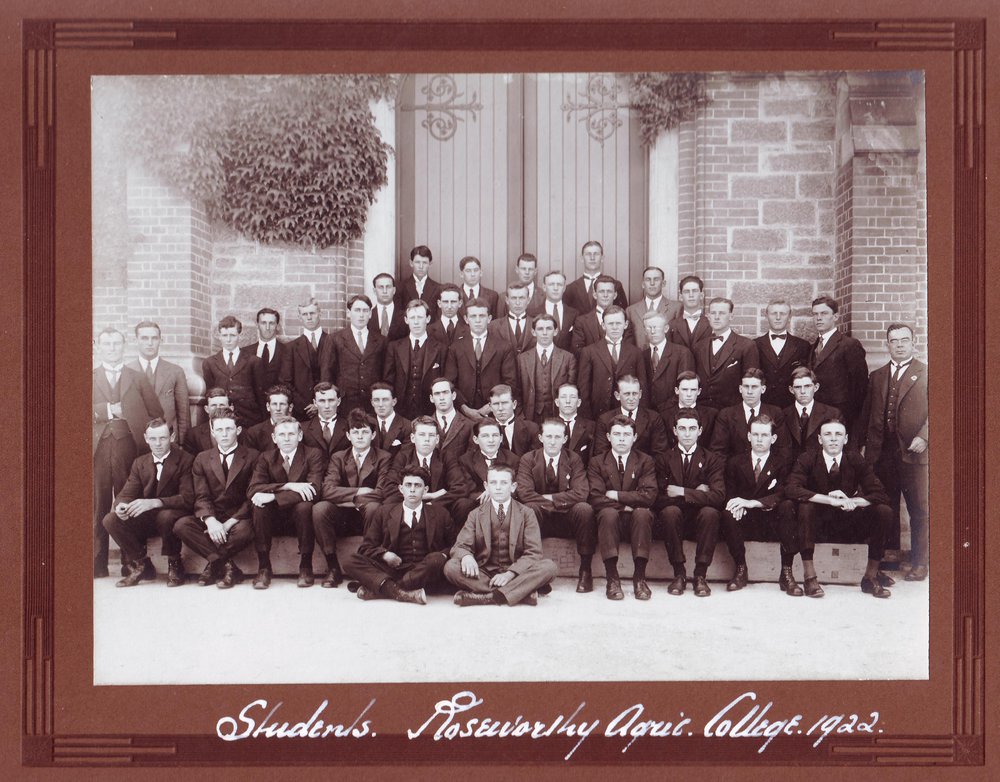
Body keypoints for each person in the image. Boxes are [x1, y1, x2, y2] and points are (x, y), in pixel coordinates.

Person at [784, 417, 895, 599]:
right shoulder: (808, 458)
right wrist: (829, 500)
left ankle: (870, 576)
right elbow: (791, 488)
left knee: (884, 511)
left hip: (848, 523)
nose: (833, 439)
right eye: (828, 434)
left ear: (846, 439)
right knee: (805, 507)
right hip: (817, 525)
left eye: (838, 434)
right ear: (820, 439)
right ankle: (810, 577)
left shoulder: (854, 458)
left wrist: (853, 501)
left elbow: (880, 493)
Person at [93, 327, 164, 577]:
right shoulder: (88, 376)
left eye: (116, 344)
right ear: (98, 347)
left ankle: (132, 561)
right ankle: (97, 564)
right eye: (107, 344)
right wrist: (109, 410)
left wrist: (133, 415)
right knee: (98, 505)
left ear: (124, 347)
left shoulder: (137, 377)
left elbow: (156, 414)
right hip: (98, 450)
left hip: (129, 449)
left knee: (128, 504)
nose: (112, 348)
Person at [863, 323, 929, 580]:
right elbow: (868, 415)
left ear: (914, 342)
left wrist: (925, 437)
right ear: (887, 344)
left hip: (914, 453)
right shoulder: (877, 376)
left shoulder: (926, 372)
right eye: (894, 340)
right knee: (886, 506)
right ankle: (888, 556)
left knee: (919, 508)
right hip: (883, 453)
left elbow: (943, 409)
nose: (899, 344)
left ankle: (920, 561)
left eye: (904, 340)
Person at [444, 464, 558, 606]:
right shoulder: (475, 514)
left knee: (549, 567)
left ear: (513, 486)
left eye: (504, 483)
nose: (498, 487)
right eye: (493, 482)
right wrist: (466, 556)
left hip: (516, 572)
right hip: (484, 573)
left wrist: (510, 574)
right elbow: (460, 546)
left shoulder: (527, 513)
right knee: (451, 567)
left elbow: (533, 553)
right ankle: (519, 593)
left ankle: (489, 597)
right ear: (486, 486)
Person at [102, 418, 194, 587]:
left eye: (163, 438)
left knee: (165, 517)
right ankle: (141, 564)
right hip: (149, 518)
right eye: (153, 439)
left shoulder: (185, 460)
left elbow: (187, 498)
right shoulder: (140, 462)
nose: (157, 443)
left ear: (172, 437)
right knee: (110, 519)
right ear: (146, 438)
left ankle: (175, 564)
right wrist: (121, 506)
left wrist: (156, 502)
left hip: (174, 514)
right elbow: (125, 494)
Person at [173, 408, 259, 588]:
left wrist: (228, 524)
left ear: (238, 430)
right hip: (213, 514)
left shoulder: (253, 456)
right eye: (219, 430)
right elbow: (201, 495)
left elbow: (252, 495)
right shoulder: (202, 458)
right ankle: (227, 566)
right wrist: (210, 521)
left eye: (229, 429)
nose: (224, 434)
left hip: (239, 516)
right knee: (182, 525)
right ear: (212, 432)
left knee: (247, 531)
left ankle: (214, 564)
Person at [344, 465, 454, 604]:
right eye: (408, 485)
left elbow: (454, 546)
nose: (412, 490)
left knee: (436, 558)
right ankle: (400, 592)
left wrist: (440, 556)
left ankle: (388, 588)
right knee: (350, 560)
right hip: (394, 569)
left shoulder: (440, 514)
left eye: (418, 485)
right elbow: (366, 547)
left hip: (425, 571)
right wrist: (384, 554)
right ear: (401, 489)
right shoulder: (384, 512)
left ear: (425, 490)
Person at [312, 409, 395, 587]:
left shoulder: (383, 457)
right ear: (348, 436)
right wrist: (359, 492)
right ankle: (333, 567)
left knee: (374, 507)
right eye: (355, 432)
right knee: (320, 508)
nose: (359, 436)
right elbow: (327, 490)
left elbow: (382, 491)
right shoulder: (339, 457)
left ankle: (365, 567)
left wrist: (349, 499)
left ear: (373, 435)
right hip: (342, 517)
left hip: (369, 516)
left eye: (364, 432)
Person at [516, 418, 596, 593]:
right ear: (540, 437)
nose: (553, 441)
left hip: (566, 521)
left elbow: (581, 492)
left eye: (557, 437)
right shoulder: (528, 459)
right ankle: (535, 573)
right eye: (549, 436)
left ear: (565, 439)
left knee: (584, 509)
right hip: (540, 519)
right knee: (530, 508)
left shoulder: (573, 459)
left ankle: (585, 570)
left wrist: (549, 499)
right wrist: (558, 502)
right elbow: (524, 493)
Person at [720, 416, 798, 594]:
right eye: (755, 434)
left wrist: (751, 503)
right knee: (728, 513)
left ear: (773, 438)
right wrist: (736, 506)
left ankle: (786, 571)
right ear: (749, 436)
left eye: (764, 435)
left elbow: (783, 492)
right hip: (746, 520)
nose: (759, 439)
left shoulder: (782, 462)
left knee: (787, 506)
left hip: (772, 519)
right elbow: (730, 493)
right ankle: (740, 568)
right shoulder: (735, 462)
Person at [247, 415, 325, 589]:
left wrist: (274, 495)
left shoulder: (313, 454)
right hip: (273, 518)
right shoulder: (266, 457)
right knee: (259, 506)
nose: (287, 438)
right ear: (274, 438)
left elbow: (314, 490)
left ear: (300, 436)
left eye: (291, 434)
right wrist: (289, 485)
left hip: (301, 518)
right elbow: (253, 489)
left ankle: (305, 566)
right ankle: (264, 567)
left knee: (304, 507)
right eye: (282, 435)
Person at [656, 409, 726, 597]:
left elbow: (719, 496)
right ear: (674, 431)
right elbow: (658, 497)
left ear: (700, 431)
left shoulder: (712, 459)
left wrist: (681, 491)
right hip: (674, 520)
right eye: (682, 428)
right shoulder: (663, 459)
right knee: (669, 512)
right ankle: (679, 573)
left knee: (710, 513)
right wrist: (698, 493)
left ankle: (700, 575)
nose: (687, 434)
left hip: (701, 521)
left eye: (692, 428)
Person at [588, 414, 659, 600]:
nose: (621, 438)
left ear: (634, 437)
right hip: (609, 523)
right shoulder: (597, 462)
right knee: (608, 513)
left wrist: (617, 495)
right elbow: (595, 497)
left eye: (626, 434)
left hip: (637, 522)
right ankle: (612, 577)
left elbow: (649, 496)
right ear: (608, 436)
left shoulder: (645, 461)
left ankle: (640, 578)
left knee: (643, 513)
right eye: (617, 434)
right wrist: (628, 505)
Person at [444, 297, 516, 420]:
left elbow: (510, 383)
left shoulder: (503, 346)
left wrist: (489, 407)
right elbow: (450, 384)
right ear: (466, 319)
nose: (477, 320)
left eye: (482, 316)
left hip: (494, 412)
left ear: (489, 319)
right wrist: (465, 409)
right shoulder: (456, 347)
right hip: (463, 413)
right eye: (473, 316)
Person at [385, 416, 469, 518]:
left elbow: (460, 487)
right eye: (422, 435)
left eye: (431, 435)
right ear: (413, 438)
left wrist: (434, 503)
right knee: (389, 502)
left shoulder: (446, 456)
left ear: (437, 439)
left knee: (463, 504)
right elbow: (389, 487)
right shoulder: (403, 456)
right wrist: (428, 496)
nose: (427, 440)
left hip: (439, 505)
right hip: (411, 503)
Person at [808, 296, 869, 435]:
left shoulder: (849, 345)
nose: (818, 318)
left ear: (835, 316)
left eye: (824, 313)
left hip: (842, 417)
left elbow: (860, 388)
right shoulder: (813, 347)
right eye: (815, 314)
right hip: (817, 416)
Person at [577, 305, 647, 419]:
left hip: (626, 415)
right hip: (598, 413)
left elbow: (642, 388)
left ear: (625, 325)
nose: (614, 327)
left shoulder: (635, 352)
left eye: (618, 323)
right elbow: (584, 389)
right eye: (610, 324)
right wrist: (587, 417)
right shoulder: (589, 351)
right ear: (603, 325)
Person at [384, 299, 449, 419]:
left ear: (428, 319)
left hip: (430, 410)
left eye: (420, 317)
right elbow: (388, 380)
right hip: (401, 411)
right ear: (406, 320)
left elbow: (445, 381)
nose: (416, 322)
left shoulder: (441, 348)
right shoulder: (394, 347)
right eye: (412, 318)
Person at [130, 320, 190, 444]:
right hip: (135, 442)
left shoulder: (175, 371)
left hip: (167, 441)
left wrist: (183, 444)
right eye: (144, 338)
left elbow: (183, 414)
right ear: (136, 340)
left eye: (154, 338)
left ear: (160, 341)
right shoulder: (126, 371)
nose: (150, 343)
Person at [694, 297, 759, 410]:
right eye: (713, 313)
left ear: (731, 316)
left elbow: (752, 382)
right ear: (708, 316)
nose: (717, 317)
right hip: (703, 410)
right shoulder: (699, 346)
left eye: (722, 313)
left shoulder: (746, 345)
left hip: (731, 410)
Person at [452, 418, 521, 523]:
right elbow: (467, 489)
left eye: (495, 435)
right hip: (478, 501)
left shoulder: (512, 459)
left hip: (504, 500)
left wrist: (493, 492)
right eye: (485, 436)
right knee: (462, 504)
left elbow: (515, 487)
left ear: (501, 438)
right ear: (476, 439)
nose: (491, 440)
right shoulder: (466, 460)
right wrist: (486, 494)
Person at [201, 315, 264, 427]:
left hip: (249, 418)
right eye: (225, 335)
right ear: (219, 336)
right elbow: (210, 394)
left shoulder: (253, 361)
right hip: (222, 419)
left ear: (239, 335)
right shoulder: (209, 363)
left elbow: (260, 394)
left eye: (232, 335)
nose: (228, 340)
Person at [328, 294, 385, 414]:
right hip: (344, 403)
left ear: (370, 314)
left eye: (365, 311)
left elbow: (384, 373)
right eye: (357, 310)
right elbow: (327, 372)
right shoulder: (335, 339)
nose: (361, 314)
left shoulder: (381, 341)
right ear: (349, 313)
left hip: (372, 403)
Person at [709, 368, 784, 458]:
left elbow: (783, 449)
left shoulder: (775, 413)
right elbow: (718, 452)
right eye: (746, 386)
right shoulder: (726, 415)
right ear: (740, 389)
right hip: (733, 470)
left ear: (763, 389)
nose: (749, 392)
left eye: (754, 387)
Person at [516, 313, 577, 423]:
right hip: (530, 416)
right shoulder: (522, 359)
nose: (544, 333)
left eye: (549, 329)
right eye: (540, 329)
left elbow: (571, 389)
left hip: (558, 415)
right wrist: (522, 417)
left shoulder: (568, 358)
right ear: (533, 332)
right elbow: (517, 391)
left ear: (555, 331)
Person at [281, 299, 334, 421]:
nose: (309, 317)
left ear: (320, 313)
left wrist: (320, 404)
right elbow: (285, 382)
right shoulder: (291, 347)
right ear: (300, 317)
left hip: (329, 408)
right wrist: (304, 406)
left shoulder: (334, 341)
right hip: (303, 412)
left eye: (312, 313)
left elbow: (338, 376)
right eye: (305, 314)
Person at [753, 299, 810, 410]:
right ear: (767, 316)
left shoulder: (803, 346)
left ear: (789, 317)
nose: (778, 317)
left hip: (792, 407)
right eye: (774, 313)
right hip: (763, 405)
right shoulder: (754, 345)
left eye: (782, 314)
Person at [593, 375, 669, 458]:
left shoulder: (653, 418)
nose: (631, 398)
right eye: (627, 394)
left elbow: (660, 454)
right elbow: (601, 454)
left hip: (645, 469)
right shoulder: (605, 419)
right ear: (617, 395)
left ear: (640, 394)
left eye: (635, 394)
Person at [641, 310, 695, 416]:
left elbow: (685, 387)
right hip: (647, 413)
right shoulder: (642, 355)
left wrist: (664, 409)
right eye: (649, 327)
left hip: (673, 413)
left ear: (666, 328)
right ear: (644, 331)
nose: (653, 331)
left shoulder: (682, 353)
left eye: (656, 327)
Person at [780, 367, 840, 460]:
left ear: (816, 387)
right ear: (791, 390)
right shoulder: (782, 415)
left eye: (807, 386)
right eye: (798, 387)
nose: (803, 391)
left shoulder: (832, 414)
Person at [571, 275, 636, 354]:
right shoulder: (581, 322)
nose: (605, 295)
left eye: (609, 291)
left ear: (615, 295)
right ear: (595, 295)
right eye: (602, 291)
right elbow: (578, 350)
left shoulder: (625, 320)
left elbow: (628, 350)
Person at [563, 240, 628, 314]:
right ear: (582, 258)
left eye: (596, 254)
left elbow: (623, 312)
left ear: (602, 258)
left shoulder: (616, 285)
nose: (592, 258)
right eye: (588, 254)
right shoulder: (570, 289)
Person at [626, 266, 682, 350]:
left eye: (656, 279)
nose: (652, 283)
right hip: (639, 359)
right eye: (648, 280)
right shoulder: (631, 310)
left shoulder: (676, 308)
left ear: (663, 283)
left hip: (666, 359)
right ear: (643, 284)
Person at [660, 371, 718, 448]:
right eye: (684, 389)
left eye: (693, 390)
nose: (689, 394)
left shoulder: (712, 415)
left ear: (699, 391)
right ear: (676, 390)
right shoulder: (664, 415)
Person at [527, 270, 579, 351]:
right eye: (551, 284)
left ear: (564, 288)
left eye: (559, 284)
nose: (555, 288)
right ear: (544, 287)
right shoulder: (532, 313)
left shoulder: (574, 314)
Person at [299, 382, 351, 463]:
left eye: (331, 400)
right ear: (315, 403)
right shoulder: (303, 429)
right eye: (322, 401)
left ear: (339, 401)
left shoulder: (349, 426)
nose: (327, 406)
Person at [427, 377, 475, 463]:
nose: (442, 398)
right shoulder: (425, 426)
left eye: (445, 393)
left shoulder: (469, 426)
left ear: (453, 396)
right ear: (431, 398)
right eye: (437, 394)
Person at [486, 384, 540, 456]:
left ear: (514, 404)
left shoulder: (531, 429)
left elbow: (534, 459)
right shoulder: (483, 429)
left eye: (504, 403)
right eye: (496, 404)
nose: (500, 408)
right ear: (490, 407)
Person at [183, 388, 239, 455]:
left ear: (231, 408)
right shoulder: (193, 435)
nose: (218, 409)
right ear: (206, 409)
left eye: (222, 405)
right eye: (213, 405)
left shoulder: (242, 434)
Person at [242, 384, 294, 453]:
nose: (278, 409)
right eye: (274, 404)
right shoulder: (254, 433)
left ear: (290, 407)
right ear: (268, 407)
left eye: (282, 404)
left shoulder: (298, 430)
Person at [397, 244, 442, 321]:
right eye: (417, 262)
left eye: (424, 263)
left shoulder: (438, 288)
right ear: (411, 263)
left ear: (430, 264)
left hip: (431, 331)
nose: (421, 266)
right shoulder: (400, 287)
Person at [667, 275, 711, 352]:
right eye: (687, 291)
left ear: (701, 295)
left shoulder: (711, 324)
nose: (691, 295)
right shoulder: (672, 325)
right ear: (681, 297)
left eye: (694, 291)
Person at [488, 282, 535, 353]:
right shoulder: (493, 326)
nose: (518, 303)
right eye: (513, 298)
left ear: (528, 300)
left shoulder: (537, 324)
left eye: (521, 298)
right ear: (507, 300)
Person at [555, 383, 596, 464]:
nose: (568, 401)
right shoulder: (548, 426)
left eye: (572, 397)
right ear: (557, 402)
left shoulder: (591, 426)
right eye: (563, 397)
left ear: (579, 402)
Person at [369, 382, 411, 456]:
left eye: (385, 400)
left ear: (394, 402)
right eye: (376, 400)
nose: (380, 404)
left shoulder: (407, 426)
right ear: (372, 403)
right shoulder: (367, 423)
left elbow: (405, 458)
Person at [252, 307, 286, 392]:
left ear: (277, 326)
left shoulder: (288, 351)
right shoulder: (245, 352)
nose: (267, 327)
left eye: (271, 323)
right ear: (257, 325)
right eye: (263, 323)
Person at [368, 272, 408, 342]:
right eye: (381, 287)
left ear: (394, 290)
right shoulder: (368, 316)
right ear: (374, 291)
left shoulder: (405, 316)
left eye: (388, 287)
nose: (385, 291)